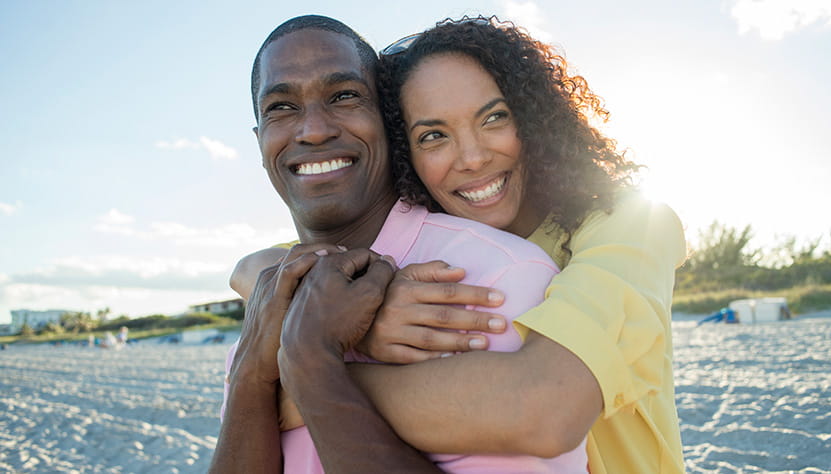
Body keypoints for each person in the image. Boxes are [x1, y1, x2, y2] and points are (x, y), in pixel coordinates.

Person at [229, 16, 686, 474]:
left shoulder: (628, 225)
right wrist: (349, 306)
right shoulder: (440, 244)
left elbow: (548, 410)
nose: (471, 158)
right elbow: (259, 267)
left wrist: (307, 379)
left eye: (494, 118)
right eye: (433, 136)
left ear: (534, 118)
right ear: (405, 149)